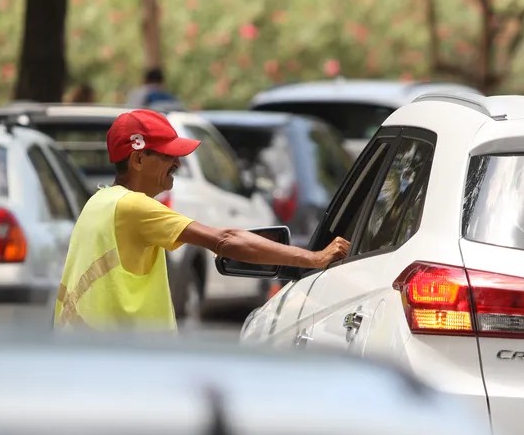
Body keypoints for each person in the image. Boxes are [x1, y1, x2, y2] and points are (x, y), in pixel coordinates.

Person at [53, 109, 350, 332]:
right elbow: (226, 240)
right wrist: (315, 258)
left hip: (92, 358)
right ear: (138, 160)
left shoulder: (99, 202)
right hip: (123, 367)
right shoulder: (133, 207)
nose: (177, 164)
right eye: (168, 155)